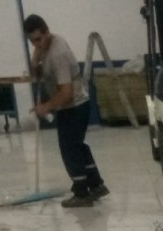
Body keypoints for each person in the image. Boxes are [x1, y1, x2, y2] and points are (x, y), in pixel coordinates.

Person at [23, 14, 108, 208]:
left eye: (38, 39)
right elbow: (38, 74)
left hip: (74, 106)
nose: (36, 44)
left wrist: (45, 107)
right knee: (78, 147)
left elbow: (67, 93)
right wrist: (35, 59)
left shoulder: (58, 53)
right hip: (71, 106)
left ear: (47, 32)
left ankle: (81, 193)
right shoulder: (44, 47)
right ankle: (96, 185)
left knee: (69, 150)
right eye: (32, 41)